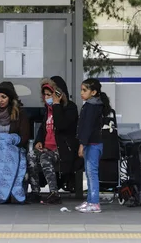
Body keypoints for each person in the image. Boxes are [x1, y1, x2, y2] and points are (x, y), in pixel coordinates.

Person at [27, 76, 79, 205]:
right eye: (44, 95)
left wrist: (56, 105)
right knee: (30, 155)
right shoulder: (47, 111)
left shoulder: (70, 107)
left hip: (62, 149)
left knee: (44, 157)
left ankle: (54, 193)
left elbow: (61, 125)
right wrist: (38, 141)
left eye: (49, 94)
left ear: (58, 94)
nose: (46, 98)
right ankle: (35, 191)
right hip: (47, 147)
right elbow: (43, 129)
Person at [0, 81, 30, 204]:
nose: (1, 100)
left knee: (10, 156)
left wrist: (10, 139)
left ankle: (10, 193)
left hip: (14, 146)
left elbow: (24, 136)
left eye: (4, 97)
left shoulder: (19, 112)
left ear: (10, 98)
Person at [76, 78, 111, 213]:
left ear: (94, 92)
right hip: (93, 144)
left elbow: (87, 128)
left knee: (92, 173)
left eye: (85, 90)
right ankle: (90, 200)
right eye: (81, 90)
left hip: (92, 144)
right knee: (90, 173)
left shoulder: (92, 106)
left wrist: (82, 145)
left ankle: (95, 202)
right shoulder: (93, 105)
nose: (81, 93)